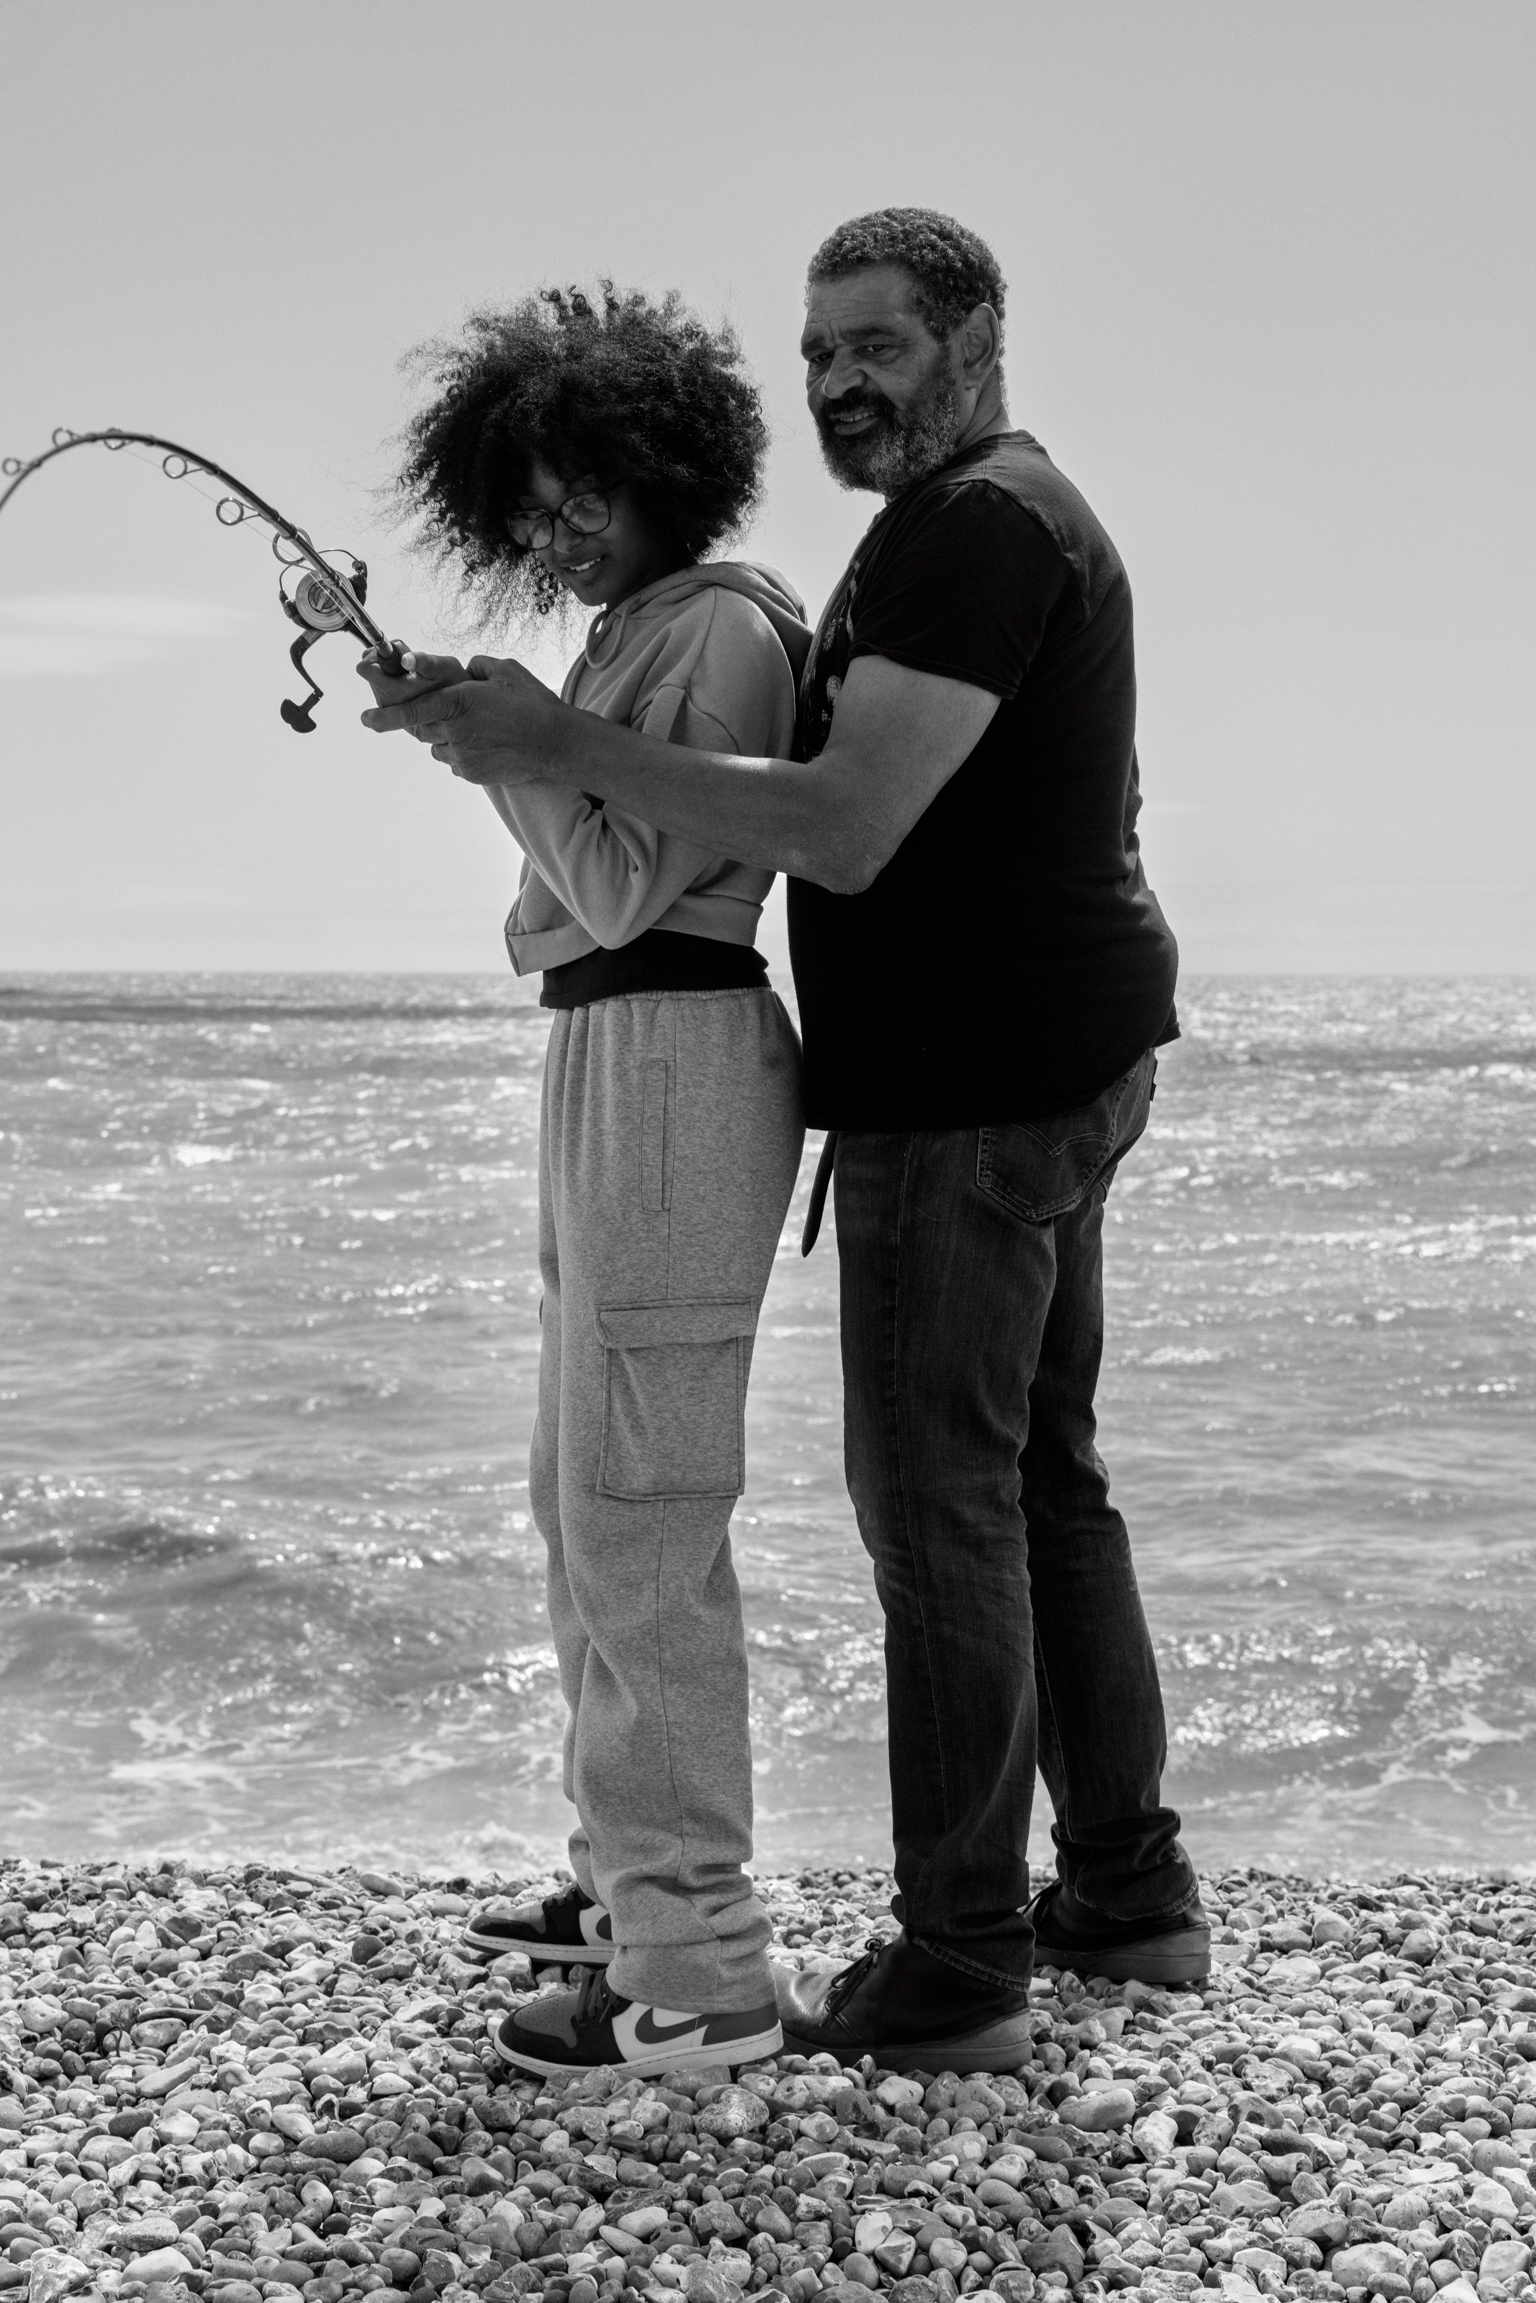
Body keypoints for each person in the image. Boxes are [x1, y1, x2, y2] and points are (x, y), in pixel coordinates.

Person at [362, 212, 1208, 2076]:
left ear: (978, 333)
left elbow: (837, 826)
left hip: (976, 1091)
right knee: (1032, 1490)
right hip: (1020, 1062)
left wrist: (525, 744)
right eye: (819, 349)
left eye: (881, 343)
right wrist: (528, 734)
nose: (841, 379)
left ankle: (941, 1962)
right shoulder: (965, 531)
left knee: (933, 1517)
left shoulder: (975, 527)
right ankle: (1126, 1897)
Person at [367, 285, 808, 2078]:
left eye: (580, 492)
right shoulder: (637, 625)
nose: (555, 531)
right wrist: (490, 743)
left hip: (680, 1049)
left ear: (663, 467)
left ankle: (696, 1965)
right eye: (529, 505)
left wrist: (517, 750)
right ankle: (626, 1886)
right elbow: (584, 847)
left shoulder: (720, 625)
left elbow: (627, 889)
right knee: (582, 1494)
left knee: (641, 1505)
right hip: (611, 1056)